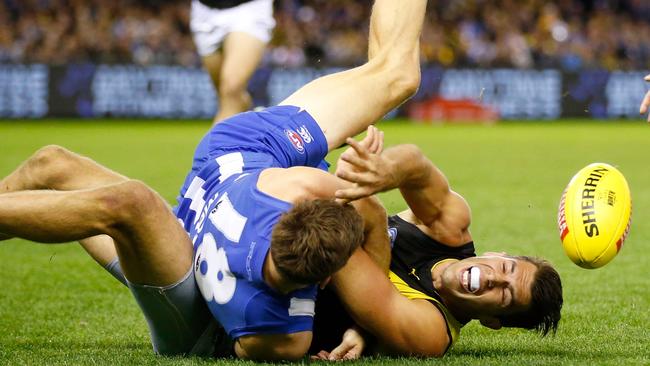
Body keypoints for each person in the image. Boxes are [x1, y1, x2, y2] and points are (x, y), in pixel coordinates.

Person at [0, 0, 425, 361]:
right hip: (221, 184)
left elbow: (364, 205)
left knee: (77, 176)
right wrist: (362, 323)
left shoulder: (296, 198)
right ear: (325, 280)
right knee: (396, 75)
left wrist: (365, 175)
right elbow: (362, 211)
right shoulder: (286, 333)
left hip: (191, 302)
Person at [309, 139, 563, 360]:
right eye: (506, 269)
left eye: (505, 295)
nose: (492, 278)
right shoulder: (450, 229)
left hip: (285, 293)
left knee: (363, 207)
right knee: (404, 81)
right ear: (497, 254)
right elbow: (415, 164)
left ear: (491, 321)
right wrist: (385, 170)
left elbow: (366, 283)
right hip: (306, 213)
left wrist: (367, 216)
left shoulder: (431, 332)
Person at [190, 0, 275, 123]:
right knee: (228, 96)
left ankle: (217, 142)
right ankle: (253, 122)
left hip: (249, 8)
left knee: (231, 88)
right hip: (204, 12)